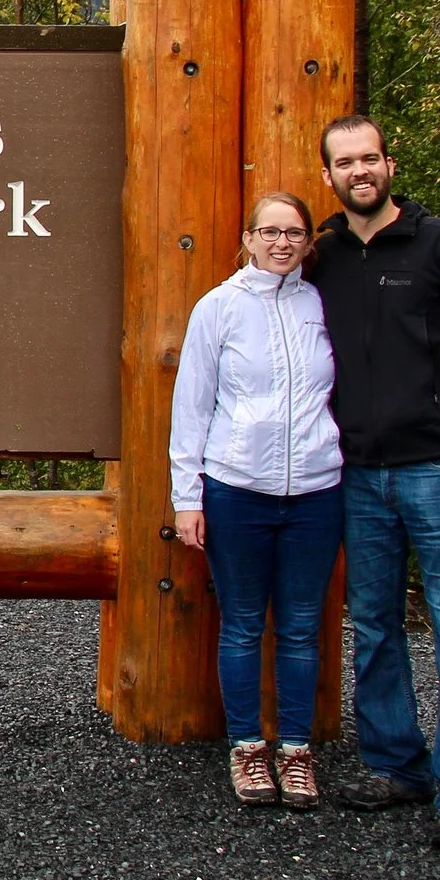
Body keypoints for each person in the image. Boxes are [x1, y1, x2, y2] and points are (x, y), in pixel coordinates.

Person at [311, 114, 440, 853]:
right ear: (328, 175)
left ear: (389, 164)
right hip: (357, 473)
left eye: (370, 158)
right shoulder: (324, 256)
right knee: (376, 628)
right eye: (345, 162)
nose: (360, 171)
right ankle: (396, 763)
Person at [169, 191, 345, 809]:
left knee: (301, 629)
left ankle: (295, 753)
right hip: (237, 487)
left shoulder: (321, 305)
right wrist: (186, 497)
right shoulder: (218, 308)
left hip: (317, 491)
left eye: (294, 233)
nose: (281, 243)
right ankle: (247, 749)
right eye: (268, 232)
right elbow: (191, 406)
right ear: (247, 239)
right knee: (242, 626)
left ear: (307, 242)